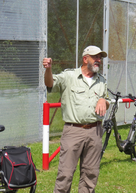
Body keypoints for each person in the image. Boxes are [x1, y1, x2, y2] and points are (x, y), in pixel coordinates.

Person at [43, 45, 110, 193]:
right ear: (85, 59)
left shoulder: (102, 80)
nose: (99, 60)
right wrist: (48, 69)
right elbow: (50, 84)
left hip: (95, 131)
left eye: (100, 58)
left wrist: (103, 101)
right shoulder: (70, 76)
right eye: (96, 57)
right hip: (73, 131)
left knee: (90, 175)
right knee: (65, 175)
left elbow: (106, 100)